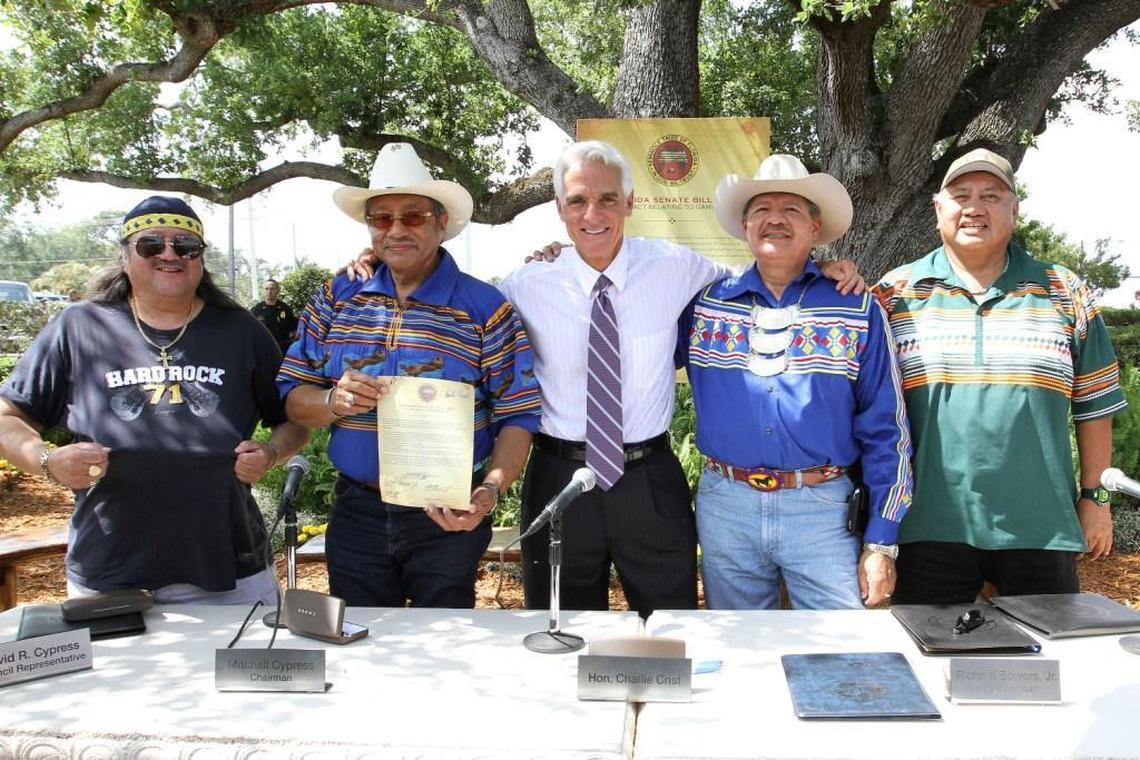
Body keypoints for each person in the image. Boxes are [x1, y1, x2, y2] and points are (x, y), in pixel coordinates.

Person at [346, 140, 864, 616]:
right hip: (559, 479)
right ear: (559, 210)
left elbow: (765, 272)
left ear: (631, 203)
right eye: (577, 201)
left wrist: (825, 267)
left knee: (670, 626)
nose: (592, 214)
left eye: (607, 200)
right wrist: (375, 259)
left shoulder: (678, 267)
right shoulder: (526, 285)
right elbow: (467, 326)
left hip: (649, 480)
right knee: (560, 626)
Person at [0, 196, 308, 604]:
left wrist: (270, 453)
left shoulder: (241, 331)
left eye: (185, 246)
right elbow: (8, 416)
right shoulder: (78, 326)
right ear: (126, 256)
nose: (170, 254)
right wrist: (48, 461)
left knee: (243, 668)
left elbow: (295, 422)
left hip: (230, 565)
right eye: (151, 245)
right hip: (110, 566)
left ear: (199, 259)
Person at [277, 143, 541, 608]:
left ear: (442, 225)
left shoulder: (486, 309)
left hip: (445, 515)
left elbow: (518, 415)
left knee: (443, 645)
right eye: (381, 218)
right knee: (359, 645)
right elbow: (293, 394)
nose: (396, 230)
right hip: (357, 510)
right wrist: (331, 402)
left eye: (413, 217)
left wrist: (490, 490)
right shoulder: (337, 297)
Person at [874, 148, 1127, 604]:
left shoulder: (1065, 291)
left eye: (991, 195)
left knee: (1043, 668)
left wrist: (1096, 500)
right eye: (961, 195)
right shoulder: (894, 295)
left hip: (1039, 525)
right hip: (926, 526)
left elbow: (1095, 406)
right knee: (932, 666)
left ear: (1014, 210)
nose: (975, 207)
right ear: (938, 210)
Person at [681, 154, 913, 610]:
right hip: (726, 506)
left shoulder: (856, 309)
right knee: (739, 651)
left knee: (838, 653)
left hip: (822, 507)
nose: (775, 220)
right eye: (762, 209)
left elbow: (887, 429)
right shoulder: (705, 305)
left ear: (814, 227)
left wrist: (882, 541)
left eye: (791, 210)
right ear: (745, 225)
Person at [250, 279, 297, 354]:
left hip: (282, 350)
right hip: (263, 350)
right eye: (266, 289)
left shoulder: (285, 308)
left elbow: (293, 330)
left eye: (272, 289)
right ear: (262, 291)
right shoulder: (256, 310)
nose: (269, 291)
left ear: (277, 290)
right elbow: (251, 332)